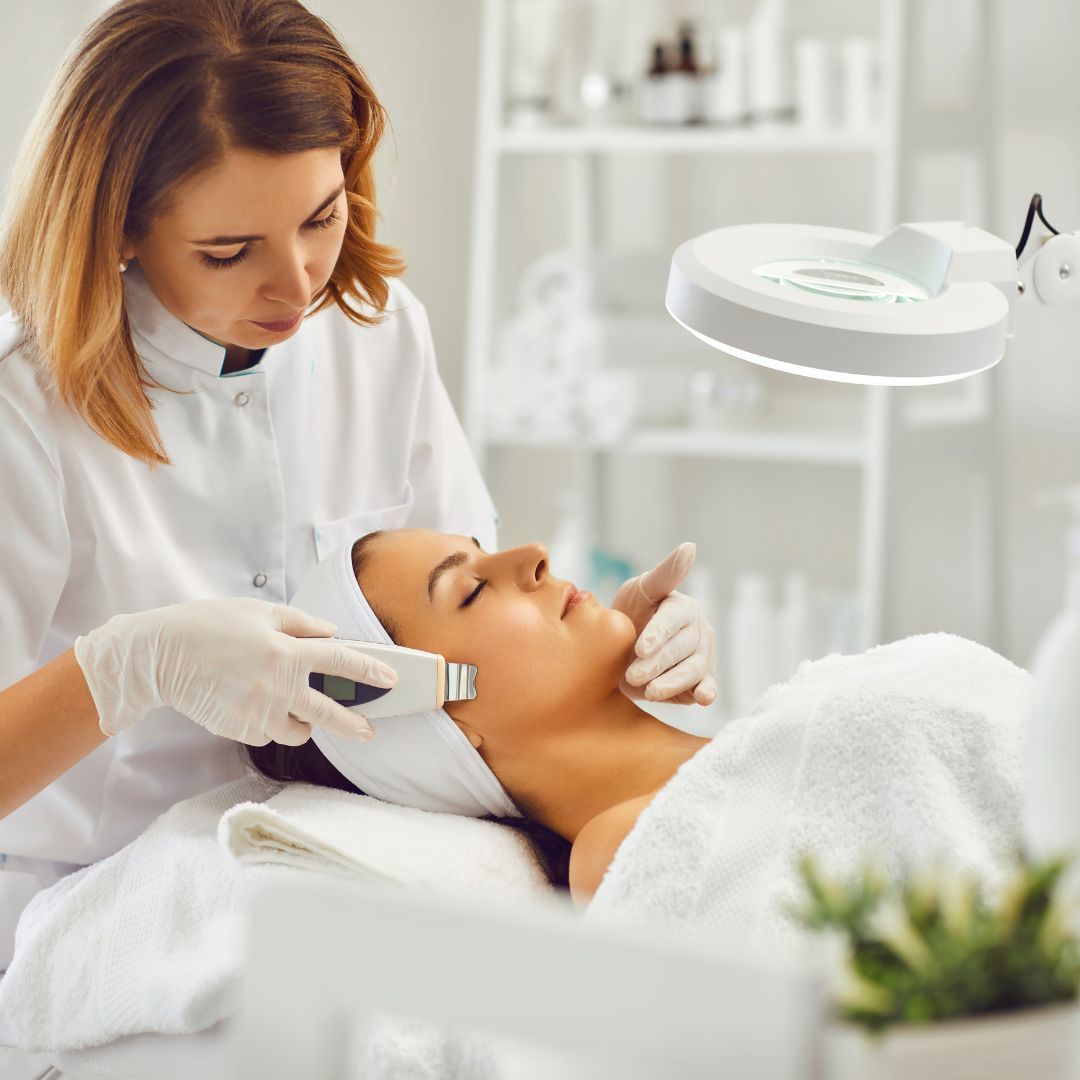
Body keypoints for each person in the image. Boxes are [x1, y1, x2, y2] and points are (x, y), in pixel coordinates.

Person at [0, 0, 716, 965]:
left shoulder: (374, 331)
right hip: (98, 916)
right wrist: (126, 669)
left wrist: (605, 658)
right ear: (117, 228)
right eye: (228, 252)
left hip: (350, 869)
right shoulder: (21, 405)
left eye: (320, 218)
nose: (298, 288)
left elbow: (466, 637)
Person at [247, 528, 713, 904]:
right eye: (473, 591)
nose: (535, 554)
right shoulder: (625, 850)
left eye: (483, 549)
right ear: (443, 727)